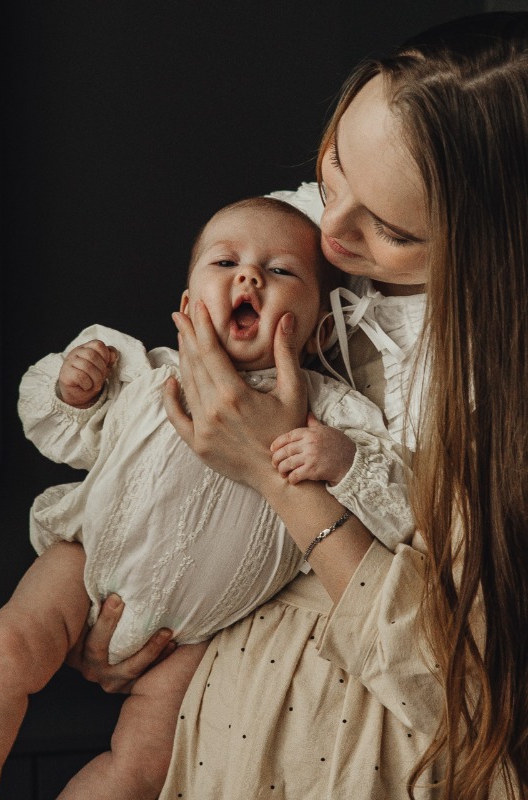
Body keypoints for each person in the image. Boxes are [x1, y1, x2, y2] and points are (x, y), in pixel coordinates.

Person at [66, 12, 527, 800]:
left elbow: (467, 692)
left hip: (368, 762)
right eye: (334, 168)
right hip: (211, 730)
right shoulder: (284, 245)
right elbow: (143, 455)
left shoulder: (496, 390)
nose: (332, 230)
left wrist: (277, 475)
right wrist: (119, 606)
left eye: (389, 229)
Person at [0, 197, 413, 798]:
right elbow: (61, 430)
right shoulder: (148, 375)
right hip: (87, 564)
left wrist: (342, 461)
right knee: (8, 650)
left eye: (281, 272)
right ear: (189, 306)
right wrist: (76, 390)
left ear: (321, 328)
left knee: (140, 770)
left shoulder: (336, 414)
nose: (249, 277)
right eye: (226, 263)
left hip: (198, 635)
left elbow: (396, 500)